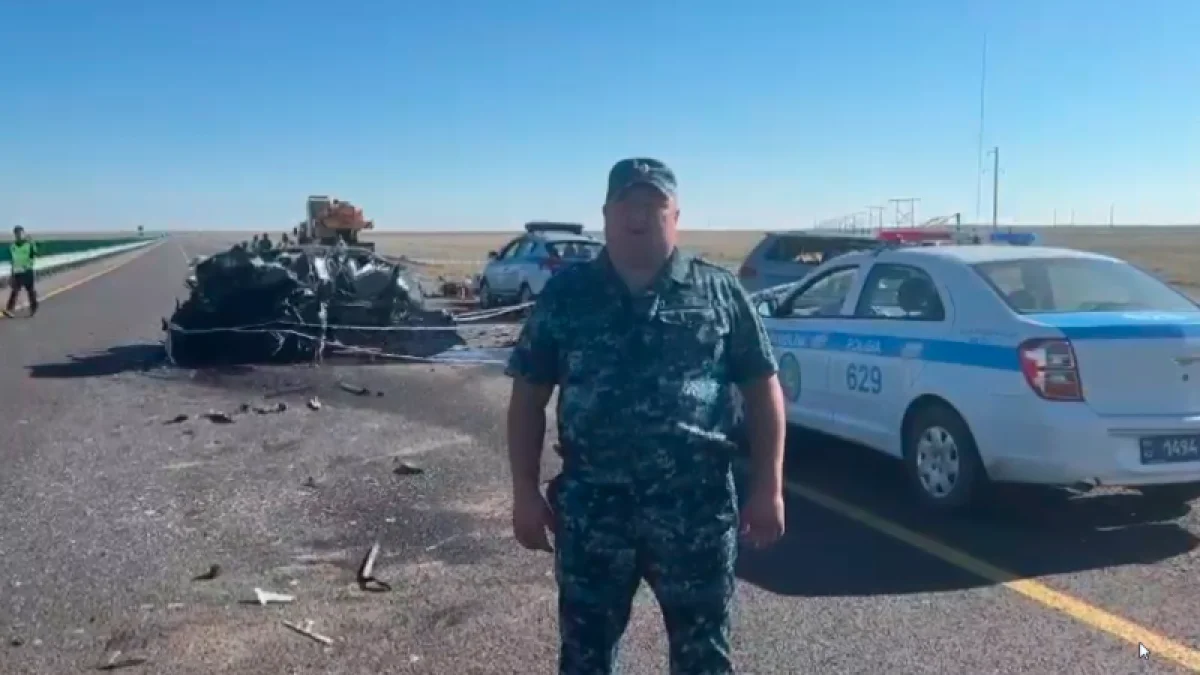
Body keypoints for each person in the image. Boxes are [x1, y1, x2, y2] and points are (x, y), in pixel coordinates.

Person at [505, 158, 787, 674]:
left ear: (675, 215)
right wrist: (524, 491)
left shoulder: (719, 291)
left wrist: (768, 485)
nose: (638, 217)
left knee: (703, 659)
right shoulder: (568, 296)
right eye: (626, 204)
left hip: (695, 510)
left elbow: (763, 388)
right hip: (594, 511)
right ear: (605, 215)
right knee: (585, 657)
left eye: (653, 205)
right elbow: (528, 395)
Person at [4, 225, 39, 318]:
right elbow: (12, 260)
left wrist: (33, 243)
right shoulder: (12, 246)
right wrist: (12, 274)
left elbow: (34, 255)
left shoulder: (29, 244)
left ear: (23, 233)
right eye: (17, 233)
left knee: (30, 291)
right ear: (15, 235)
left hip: (27, 271)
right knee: (15, 291)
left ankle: (34, 307)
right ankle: (9, 309)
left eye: (20, 233)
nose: (19, 235)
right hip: (17, 272)